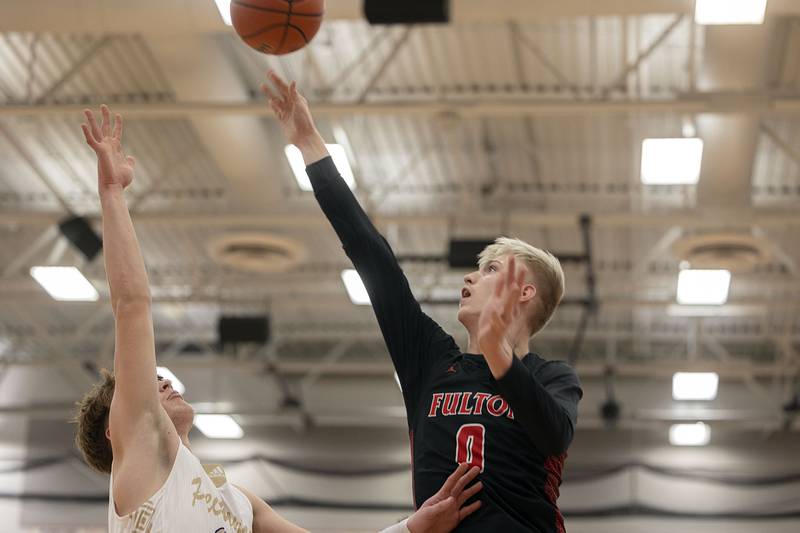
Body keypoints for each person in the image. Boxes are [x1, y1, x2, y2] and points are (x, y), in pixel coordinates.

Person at [73, 105, 482, 533]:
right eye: (140, 386)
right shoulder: (139, 457)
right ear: (115, 429)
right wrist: (112, 194)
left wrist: (414, 527)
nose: (158, 380)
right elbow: (132, 303)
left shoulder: (235, 499)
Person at [263, 72, 583, 532]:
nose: (471, 276)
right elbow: (374, 258)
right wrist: (311, 145)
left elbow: (555, 433)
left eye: (492, 269)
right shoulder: (431, 360)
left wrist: (497, 350)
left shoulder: (553, 377)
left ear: (525, 292)